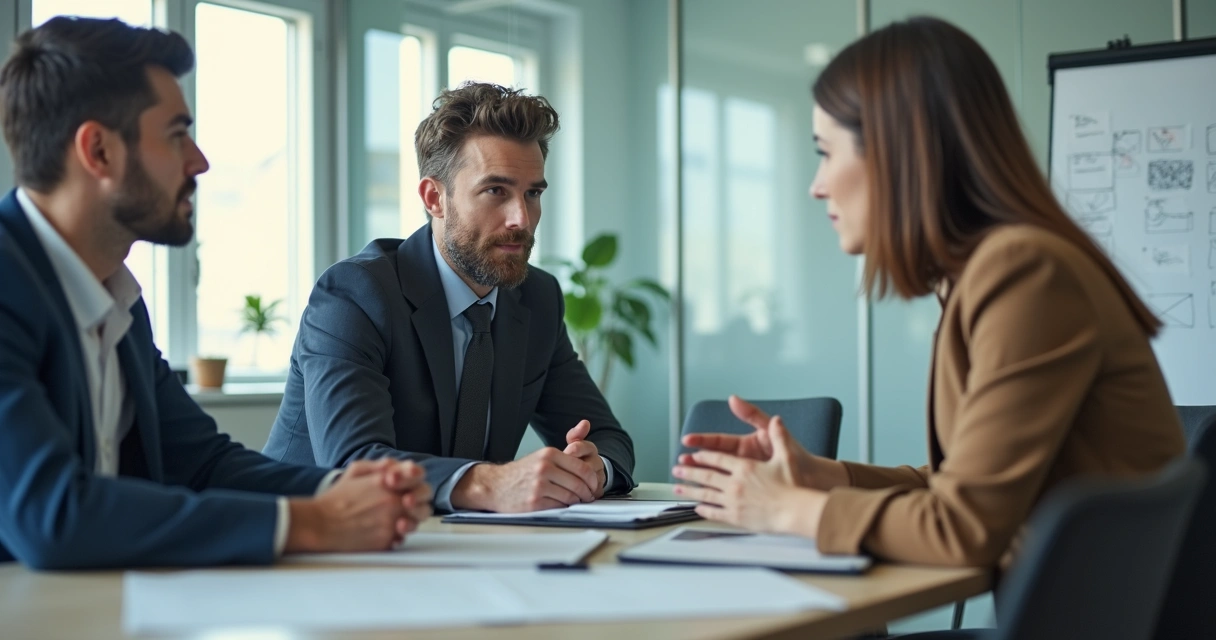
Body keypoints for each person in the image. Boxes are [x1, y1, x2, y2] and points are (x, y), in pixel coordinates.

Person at [672, 16, 1186, 569]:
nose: (816, 185)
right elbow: (956, 487)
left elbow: (963, 527)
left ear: (895, 154)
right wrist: (822, 476)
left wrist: (786, 509)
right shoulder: (991, 272)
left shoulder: (1026, 273)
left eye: (825, 151)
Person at [0, 17, 432, 570]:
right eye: (176, 134)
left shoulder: (116, 302)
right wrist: (312, 522)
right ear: (99, 151)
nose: (198, 161)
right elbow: (53, 516)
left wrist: (348, 491)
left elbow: (204, 464)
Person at [263, 82, 636, 513]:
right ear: (434, 198)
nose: (521, 218)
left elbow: (608, 438)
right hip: (309, 537)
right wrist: (489, 483)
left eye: (533, 193)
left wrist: (594, 468)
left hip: (451, 539)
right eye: (496, 191)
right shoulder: (355, 294)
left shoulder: (537, 298)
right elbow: (353, 463)